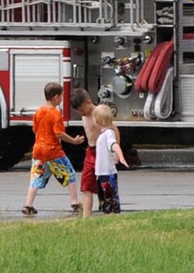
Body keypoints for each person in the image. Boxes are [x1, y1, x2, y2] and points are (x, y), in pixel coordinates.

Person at [22, 81, 83, 217]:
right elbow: (59, 133)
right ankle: (74, 202)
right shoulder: (55, 113)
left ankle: (28, 204)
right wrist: (74, 141)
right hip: (53, 150)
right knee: (69, 173)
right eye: (61, 96)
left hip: (38, 150)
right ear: (55, 97)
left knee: (35, 177)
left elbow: (35, 130)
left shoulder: (39, 111)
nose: (61, 99)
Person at [90, 103, 128, 213]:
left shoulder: (108, 134)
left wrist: (121, 157)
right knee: (104, 199)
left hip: (107, 174)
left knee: (110, 199)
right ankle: (107, 213)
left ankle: (112, 214)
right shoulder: (103, 134)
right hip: (101, 173)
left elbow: (114, 144)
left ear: (97, 120)